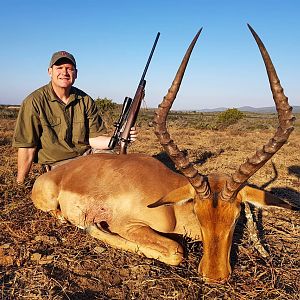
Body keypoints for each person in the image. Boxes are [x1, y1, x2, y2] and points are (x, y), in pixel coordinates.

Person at [13, 51, 137, 184]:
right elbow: (27, 148)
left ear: (76, 73)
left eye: (69, 69)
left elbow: (94, 139)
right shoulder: (34, 101)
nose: (64, 72)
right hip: (59, 165)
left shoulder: (85, 100)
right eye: (59, 68)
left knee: (119, 158)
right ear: (50, 71)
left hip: (86, 157)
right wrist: (20, 183)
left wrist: (120, 138)